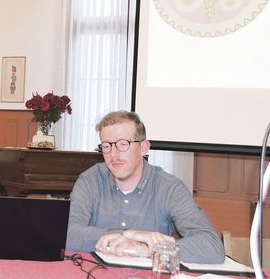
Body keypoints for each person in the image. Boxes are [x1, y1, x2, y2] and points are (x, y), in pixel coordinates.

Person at [66, 110, 225, 264]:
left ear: (144, 148)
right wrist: (127, 234)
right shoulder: (90, 181)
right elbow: (65, 233)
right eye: (107, 146)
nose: (114, 154)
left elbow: (211, 246)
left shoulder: (169, 188)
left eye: (123, 144)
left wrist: (144, 248)